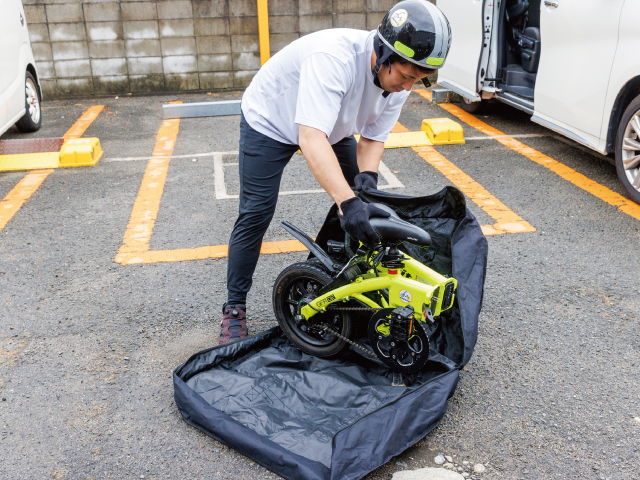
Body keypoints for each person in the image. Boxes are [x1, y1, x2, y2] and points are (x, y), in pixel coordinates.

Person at [218, 0, 452, 344]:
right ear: (384, 54)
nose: (407, 87)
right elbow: (310, 137)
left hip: (331, 126)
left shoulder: (401, 78)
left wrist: (366, 184)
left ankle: (346, 277)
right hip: (271, 119)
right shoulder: (333, 59)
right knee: (256, 212)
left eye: (417, 80)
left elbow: (373, 138)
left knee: (362, 198)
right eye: (405, 76)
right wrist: (347, 203)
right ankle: (234, 308)